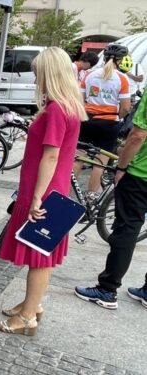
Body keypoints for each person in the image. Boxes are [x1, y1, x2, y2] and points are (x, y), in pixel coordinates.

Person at [0, 47, 88, 336]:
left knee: (39, 258)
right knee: (40, 256)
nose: (36, 80)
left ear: (49, 74)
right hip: (52, 190)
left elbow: (51, 155)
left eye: (38, 74)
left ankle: (26, 317)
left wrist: (36, 197)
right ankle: (31, 305)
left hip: (45, 193)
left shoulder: (58, 108)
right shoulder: (67, 105)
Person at [74, 96, 147, 311]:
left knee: (127, 229)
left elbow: (138, 135)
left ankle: (107, 289)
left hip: (141, 175)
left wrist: (122, 166)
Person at [73, 44, 131, 202]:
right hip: (109, 123)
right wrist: (118, 117)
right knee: (100, 161)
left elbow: (80, 99)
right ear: (119, 61)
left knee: (78, 157)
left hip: (88, 119)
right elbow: (126, 106)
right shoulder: (122, 78)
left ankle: (66, 191)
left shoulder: (89, 74)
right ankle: (91, 196)